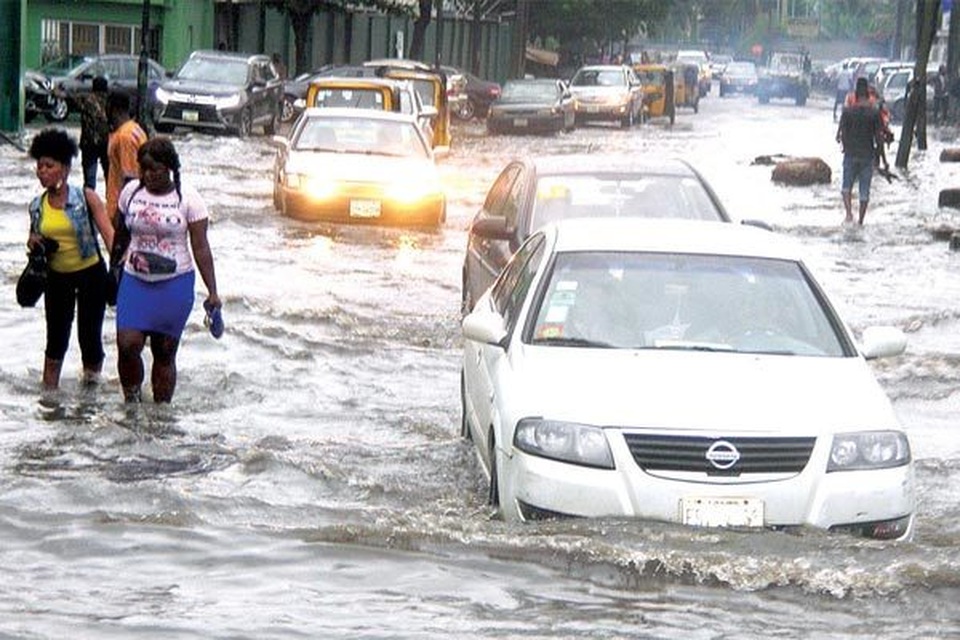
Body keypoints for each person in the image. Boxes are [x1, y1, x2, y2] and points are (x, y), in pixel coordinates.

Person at [114, 136, 220, 403]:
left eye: (154, 169)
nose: (148, 175)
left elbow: (201, 248)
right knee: (127, 345)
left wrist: (213, 292)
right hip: (135, 280)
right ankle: (132, 403)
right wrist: (113, 266)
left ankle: (161, 416)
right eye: (143, 169)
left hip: (175, 284)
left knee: (164, 350)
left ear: (169, 168)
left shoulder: (189, 200)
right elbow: (121, 234)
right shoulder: (131, 193)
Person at [26, 128, 114, 389]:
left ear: (64, 168)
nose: (42, 171)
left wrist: (120, 271)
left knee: (89, 339)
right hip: (56, 277)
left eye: (48, 166)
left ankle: (90, 398)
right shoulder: (36, 206)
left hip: (91, 275)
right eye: (39, 166)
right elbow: (33, 238)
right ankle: (49, 399)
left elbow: (110, 236)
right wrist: (34, 244)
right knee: (55, 341)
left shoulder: (86, 197)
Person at [836, 77, 884, 226]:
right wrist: (881, 158)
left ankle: (849, 214)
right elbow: (879, 138)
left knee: (846, 186)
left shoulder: (848, 111)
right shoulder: (874, 112)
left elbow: (841, 134)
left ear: (856, 93)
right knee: (864, 191)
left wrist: (845, 146)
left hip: (850, 154)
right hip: (867, 155)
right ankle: (861, 221)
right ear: (868, 95)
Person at [105, 91, 147, 222]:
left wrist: (120, 213)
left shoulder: (125, 136)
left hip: (122, 208)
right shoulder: (136, 129)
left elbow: (130, 178)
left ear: (112, 109)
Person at [76, 75, 110, 191]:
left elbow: (72, 95)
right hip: (107, 142)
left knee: (89, 180)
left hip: (89, 144)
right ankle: (110, 204)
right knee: (109, 177)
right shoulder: (110, 101)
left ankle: (90, 206)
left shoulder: (87, 100)